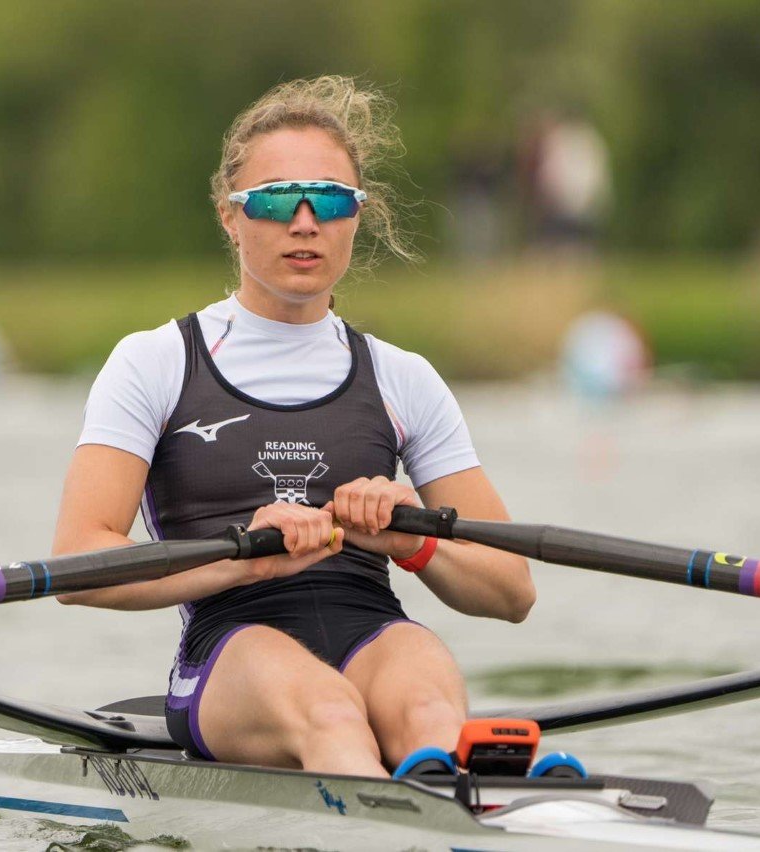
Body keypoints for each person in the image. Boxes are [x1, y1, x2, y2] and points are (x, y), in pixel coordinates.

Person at [53, 76, 534, 778]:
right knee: (331, 712)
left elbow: (512, 590)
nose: (305, 222)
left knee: (431, 706)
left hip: (374, 631)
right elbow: (77, 565)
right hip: (232, 647)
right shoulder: (154, 362)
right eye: (277, 199)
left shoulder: (403, 377)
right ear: (230, 215)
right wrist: (243, 558)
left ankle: (448, 791)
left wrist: (414, 543)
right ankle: (393, 799)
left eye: (330, 200)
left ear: (356, 216)